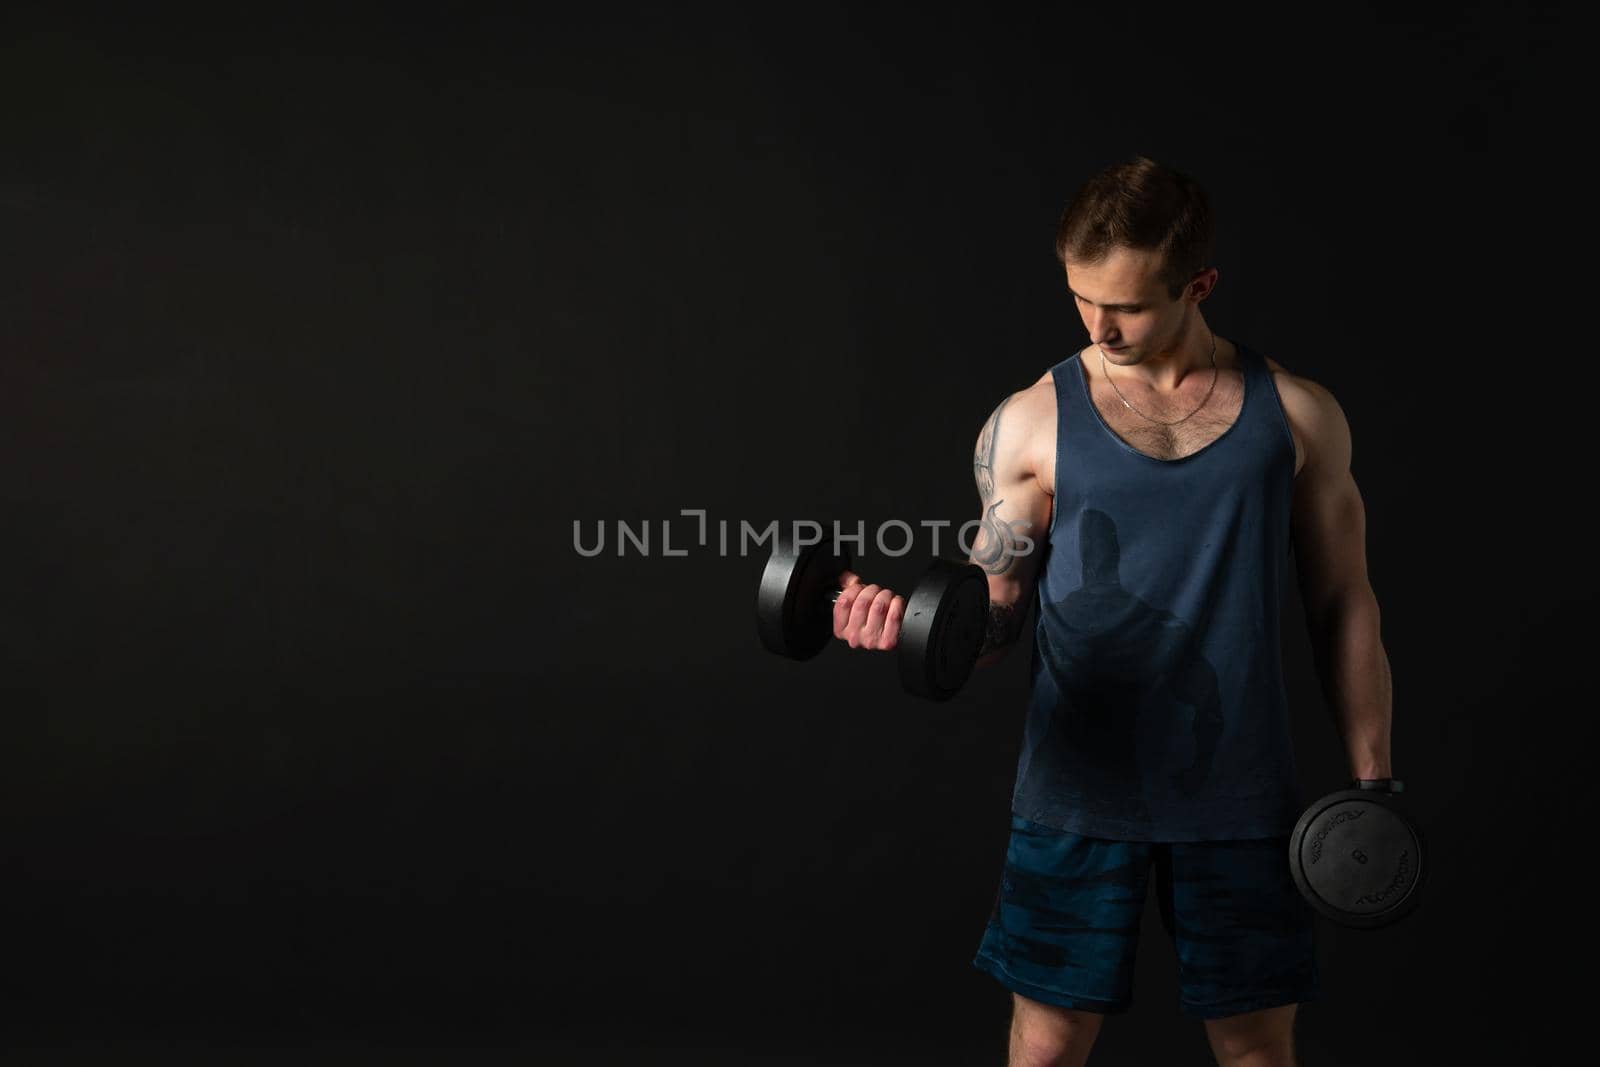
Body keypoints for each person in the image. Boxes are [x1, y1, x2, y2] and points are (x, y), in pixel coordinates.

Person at [831, 156, 1394, 1067]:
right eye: (1082, 298)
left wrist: (1375, 780)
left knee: (1256, 1048)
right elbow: (997, 610)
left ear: (1198, 285)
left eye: (1125, 305)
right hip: (1076, 795)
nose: (1100, 325)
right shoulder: (1030, 422)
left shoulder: (1295, 415)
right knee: (1048, 1045)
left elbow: (1343, 597)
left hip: (1240, 795)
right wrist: (919, 628)